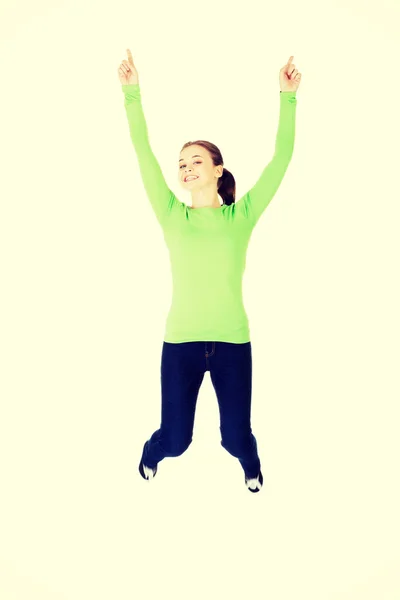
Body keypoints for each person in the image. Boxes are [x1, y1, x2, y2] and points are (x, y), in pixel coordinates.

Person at [118, 49, 301, 493]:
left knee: (235, 438)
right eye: (181, 163)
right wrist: (132, 94)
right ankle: (150, 452)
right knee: (176, 441)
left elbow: (281, 159)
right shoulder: (170, 214)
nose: (185, 167)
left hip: (232, 342)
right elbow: (142, 152)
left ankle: (252, 465)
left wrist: (288, 98)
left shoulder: (241, 217)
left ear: (218, 170)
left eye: (196, 160)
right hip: (179, 343)